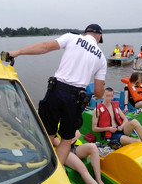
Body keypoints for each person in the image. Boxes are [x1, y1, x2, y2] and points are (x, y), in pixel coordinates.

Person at [9, 24, 106, 165]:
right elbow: (98, 92)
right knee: (66, 140)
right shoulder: (101, 58)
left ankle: (39, 165)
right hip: (76, 99)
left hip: (57, 91)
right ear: (99, 36)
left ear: (86, 33)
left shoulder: (72, 37)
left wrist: (17, 52)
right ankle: (56, 171)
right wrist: (100, 93)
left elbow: (45, 46)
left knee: (47, 134)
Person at [54, 130, 119, 184]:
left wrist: (70, 139)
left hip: (75, 146)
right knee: (83, 169)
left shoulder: (65, 120)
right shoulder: (51, 124)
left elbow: (78, 133)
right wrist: (72, 138)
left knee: (93, 147)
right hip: (63, 151)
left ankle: (99, 180)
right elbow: (58, 143)